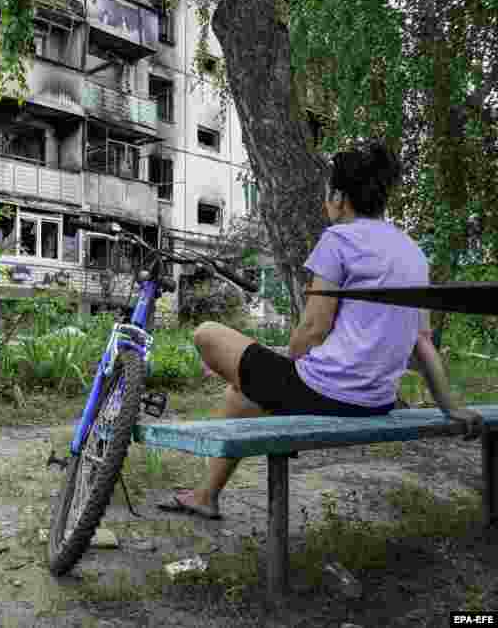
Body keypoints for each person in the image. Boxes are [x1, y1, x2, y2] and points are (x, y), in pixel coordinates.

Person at [159, 141, 485, 520]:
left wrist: (285, 362)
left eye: (328, 196)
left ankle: (214, 481)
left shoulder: (339, 239)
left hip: (323, 395)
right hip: (375, 402)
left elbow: (313, 331)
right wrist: (452, 407)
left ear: (339, 197)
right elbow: (423, 342)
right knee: (245, 390)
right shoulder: (412, 251)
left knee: (208, 334)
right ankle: (205, 496)